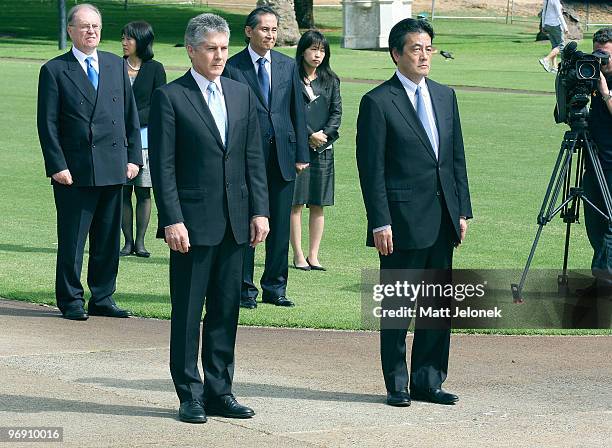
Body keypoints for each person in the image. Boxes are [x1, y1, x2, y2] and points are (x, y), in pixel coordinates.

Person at [149, 13, 269, 423]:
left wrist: (260, 211)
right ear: (191, 50)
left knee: (225, 309)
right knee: (187, 313)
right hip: (191, 225)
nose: (219, 56)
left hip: (237, 222)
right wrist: (172, 219)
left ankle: (221, 391)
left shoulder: (240, 93)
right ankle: (190, 395)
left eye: (223, 47)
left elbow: (254, 157)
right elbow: (163, 167)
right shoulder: (170, 97)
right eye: (211, 48)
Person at [356, 18, 472, 407]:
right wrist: (380, 220)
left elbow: (455, 159)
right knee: (398, 308)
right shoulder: (377, 102)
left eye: (428, 48)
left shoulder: (445, 95)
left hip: (442, 218)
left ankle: (429, 381)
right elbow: (370, 170)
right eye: (415, 49)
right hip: (401, 222)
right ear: (396, 54)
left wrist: (462, 210)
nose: (424, 55)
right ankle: (398, 384)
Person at [37, 3, 142, 321]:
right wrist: (57, 165)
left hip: (113, 166)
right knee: (73, 239)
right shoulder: (55, 70)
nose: (91, 31)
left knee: (108, 240)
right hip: (74, 171)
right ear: (70, 30)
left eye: (96, 26)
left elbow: (130, 116)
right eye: (84, 26)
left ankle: (102, 297)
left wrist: (134, 158)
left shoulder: (114, 65)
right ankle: (70, 299)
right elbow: (48, 124)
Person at [223, 6, 309, 309]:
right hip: (247, 159)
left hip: (284, 157)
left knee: (280, 227)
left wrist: (301, 153)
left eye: (274, 30)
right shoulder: (233, 67)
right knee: (248, 224)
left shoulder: (288, 66)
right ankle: (244, 290)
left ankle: (275, 288)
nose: (270, 35)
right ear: (249, 31)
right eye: (264, 29)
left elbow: (297, 112)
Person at [290, 30, 342, 272]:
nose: (317, 55)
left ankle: (314, 255)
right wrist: (308, 134)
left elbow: (336, 113)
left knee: (318, 204)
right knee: (296, 203)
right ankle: (298, 255)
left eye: (322, 50)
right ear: (303, 50)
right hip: (298, 148)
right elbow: (289, 112)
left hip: (323, 148)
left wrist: (323, 136)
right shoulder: (290, 77)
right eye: (313, 49)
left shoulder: (331, 80)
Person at [119, 21, 166, 258]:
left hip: (146, 140)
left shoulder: (155, 68)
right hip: (119, 140)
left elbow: (160, 104)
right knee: (123, 193)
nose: (124, 42)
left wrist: (131, 119)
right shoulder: (115, 66)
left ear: (142, 41)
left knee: (144, 191)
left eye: (129, 38)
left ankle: (140, 242)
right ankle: (127, 242)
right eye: (123, 38)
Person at [579, 28, 612, 300]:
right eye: (597, 53)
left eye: (606, 55)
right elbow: (563, 113)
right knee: (595, 224)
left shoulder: (603, 82)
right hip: (593, 160)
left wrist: (604, 91)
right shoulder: (588, 73)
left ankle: (603, 281)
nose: (601, 60)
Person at [539, 0, 568, 73]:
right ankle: (546, 59)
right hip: (555, 25)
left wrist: (543, 25)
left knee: (555, 46)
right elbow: (559, 14)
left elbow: (544, 13)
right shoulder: (555, 1)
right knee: (561, 46)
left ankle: (554, 67)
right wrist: (565, 27)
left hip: (547, 24)